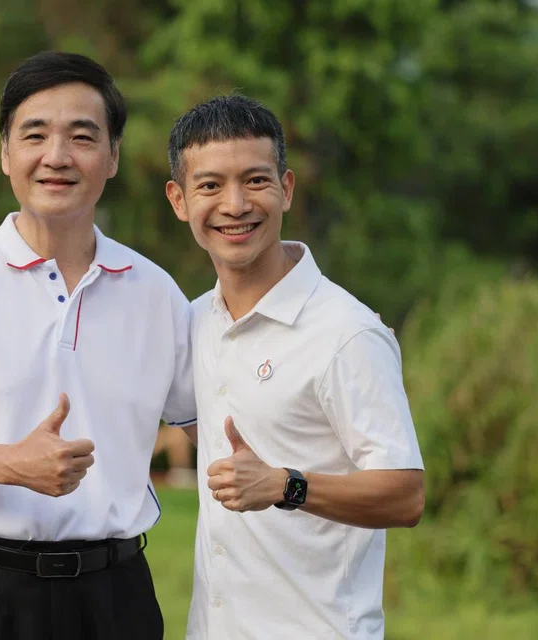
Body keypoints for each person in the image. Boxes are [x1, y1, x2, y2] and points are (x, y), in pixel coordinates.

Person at [0, 51, 197, 640]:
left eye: (83, 136)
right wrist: (14, 464)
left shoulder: (158, 293)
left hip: (116, 594)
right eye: (35, 135)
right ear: (6, 154)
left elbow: (211, 434)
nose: (57, 157)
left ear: (112, 157)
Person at [163, 95, 426, 640]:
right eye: (210, 185)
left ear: (286, 188)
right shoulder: (191, 322)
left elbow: (406, 495)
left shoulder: (346, 333)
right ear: (179, 199)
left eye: (255, 181)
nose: (234, 205)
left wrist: (286, 485)